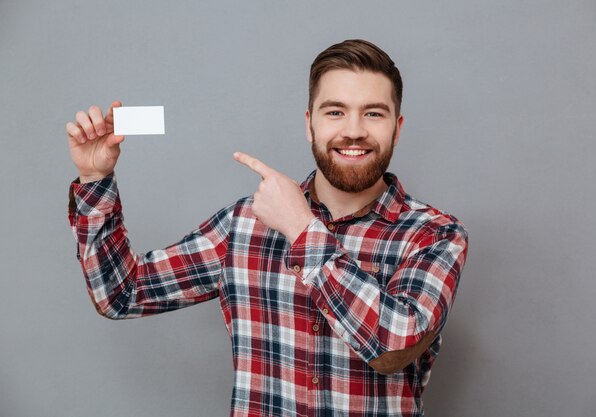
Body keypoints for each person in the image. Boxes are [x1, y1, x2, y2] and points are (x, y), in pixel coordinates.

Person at [66, 39, 469, 417]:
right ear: (309, 124)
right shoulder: (243, 226)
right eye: (335, 111)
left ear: (397, 128)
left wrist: (300, 228)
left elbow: (392, 349)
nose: (353, 130)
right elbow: (121, 293)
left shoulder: (435, 235)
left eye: (373, 113)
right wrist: (94, 178)